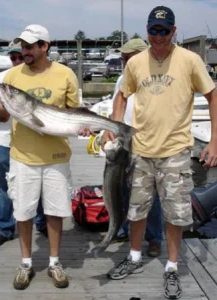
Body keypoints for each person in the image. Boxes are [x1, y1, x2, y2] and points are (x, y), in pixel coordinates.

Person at [101, 6, 217, 299]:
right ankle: (135, 256)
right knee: (136, 210)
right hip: (140, 151)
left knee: (176, 215)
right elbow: (122, 94)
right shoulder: (136, 63)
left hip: (176, 151)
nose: (158, 36)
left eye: (164, 31)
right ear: (147, 30)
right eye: (154, 30)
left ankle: (172, 267)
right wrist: (112, 127)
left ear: (174, 31)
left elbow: (212, 96)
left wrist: (214, 141)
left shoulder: (190, 60)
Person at [0, 24, 80, 290]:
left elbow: (74, 111)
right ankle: (26, 262)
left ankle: (54, 262)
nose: (25, 51)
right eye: (23, 46)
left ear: (45, 47)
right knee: (23, 212)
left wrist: (85, 125)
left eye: (30, 46)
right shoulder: (11, 77)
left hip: (56, 156)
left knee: (55, 212)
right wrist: (0, 108)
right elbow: (1, 114)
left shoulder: (66, 74)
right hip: (22, 156)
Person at [0, 42, 47, 247]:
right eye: (13, 58)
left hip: (35, 141)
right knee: (4, 187)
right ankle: (4, 228)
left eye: (20, 57)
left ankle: (42, 222)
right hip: (6, 142)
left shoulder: (40, 76)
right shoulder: (1, 79)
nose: (17, 61)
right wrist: (8, 106)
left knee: (38, 185)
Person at [109, 38, 163, 258]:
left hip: (147, 143)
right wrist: (109, 130)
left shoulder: (154, 79)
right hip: (124, 141)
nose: (124, 62)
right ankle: (122, 228)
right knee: (120, 188)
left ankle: (153, 238)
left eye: (128, 58)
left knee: (150, 193)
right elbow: (117, 104)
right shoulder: (122, 78)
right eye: (122, 58)